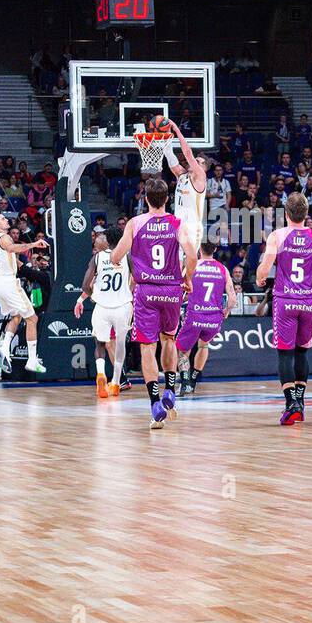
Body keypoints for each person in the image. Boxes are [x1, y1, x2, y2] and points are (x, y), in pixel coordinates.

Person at [111, 177, 198, 429]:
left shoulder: (135, 223)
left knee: (147, 348)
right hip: (172, 290)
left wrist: (118, 260)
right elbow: (192, 254)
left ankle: (155, 403)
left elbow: (117, 254)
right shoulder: (176, 223)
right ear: (167, 199)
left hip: (146, 291)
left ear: (145, 199)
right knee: (168, 339)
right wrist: (187, 277)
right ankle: (171, 388)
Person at [255, 192, 312, 426]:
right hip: (308, 301)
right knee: (302, 352)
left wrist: (261, 279)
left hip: (285, 300)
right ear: (307, 213)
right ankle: (299, 404)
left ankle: (291, 403)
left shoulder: (278, 236)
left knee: (285, 354)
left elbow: (264, 269)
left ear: (286, 213)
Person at [164, 121, 208, 392]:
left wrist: (176, 131)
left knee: (183, 277)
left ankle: (187, 284)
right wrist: (164, 142)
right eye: (195, 161)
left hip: (191, 231)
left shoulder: (199, 178)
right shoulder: (182, 177)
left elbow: (188, 155)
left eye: (199, 161)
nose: (194, 163)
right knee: (172, 278)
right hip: (176, 228)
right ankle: (180, 372)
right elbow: (173, 162)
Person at [0, 213, 48, 375]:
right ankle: (31, 360)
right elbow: (12, 248)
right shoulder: (4, 238)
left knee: (16, 316)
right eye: (2, 219)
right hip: (8, 282)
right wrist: (34, 244)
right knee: (32, 318)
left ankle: (4, 348)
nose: (6, 220)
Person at [74, 227, 133, 398]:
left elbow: (86, 285)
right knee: (119, 344)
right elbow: (137, 279)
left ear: (107, 239)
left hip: (102, 307)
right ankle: (115, 382)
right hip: (122, 307)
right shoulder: (127, 256)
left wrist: (95, 295)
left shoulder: (98, 258)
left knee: (100, 343)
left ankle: (101, 374)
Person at [174, 242, 236, 397]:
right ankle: (194, 380)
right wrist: (226, 311)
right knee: (203, 346)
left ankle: (185, 382)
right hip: (214, 318)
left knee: (182, 351)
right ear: (215, 249)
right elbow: (232, 297)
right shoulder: (223, 269)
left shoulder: (192, 266)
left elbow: (180, 290)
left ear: (199, 249)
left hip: (195, 315)